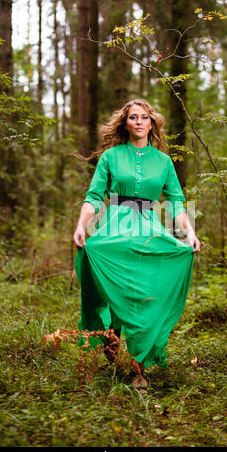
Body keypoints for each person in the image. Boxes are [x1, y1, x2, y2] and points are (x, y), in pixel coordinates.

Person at [73, 99, 201, 389]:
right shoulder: (111, 157)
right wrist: (81, 226)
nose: (140, 122)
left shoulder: (163, 161)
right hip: (115, 227)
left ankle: (138, 368)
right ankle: (111, 334)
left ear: (152, 123)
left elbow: (176, 203)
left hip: (149, 229)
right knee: (110, 281)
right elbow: (94, 196)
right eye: (133, 117)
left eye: (145, 117)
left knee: (145, 295)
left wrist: (189, 234)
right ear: (126, 123)